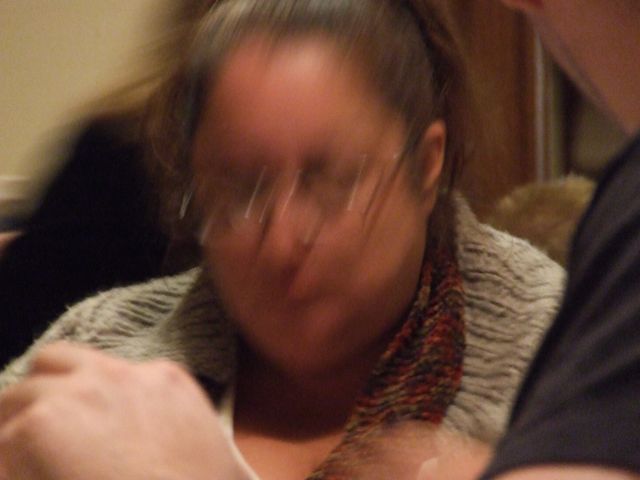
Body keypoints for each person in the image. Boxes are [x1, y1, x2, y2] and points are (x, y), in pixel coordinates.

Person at [0, 1, 564, 479]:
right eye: (238, 188)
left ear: (426, 164)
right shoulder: (98, 348)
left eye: (334, 180)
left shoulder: (566, 354)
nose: (283, 241)